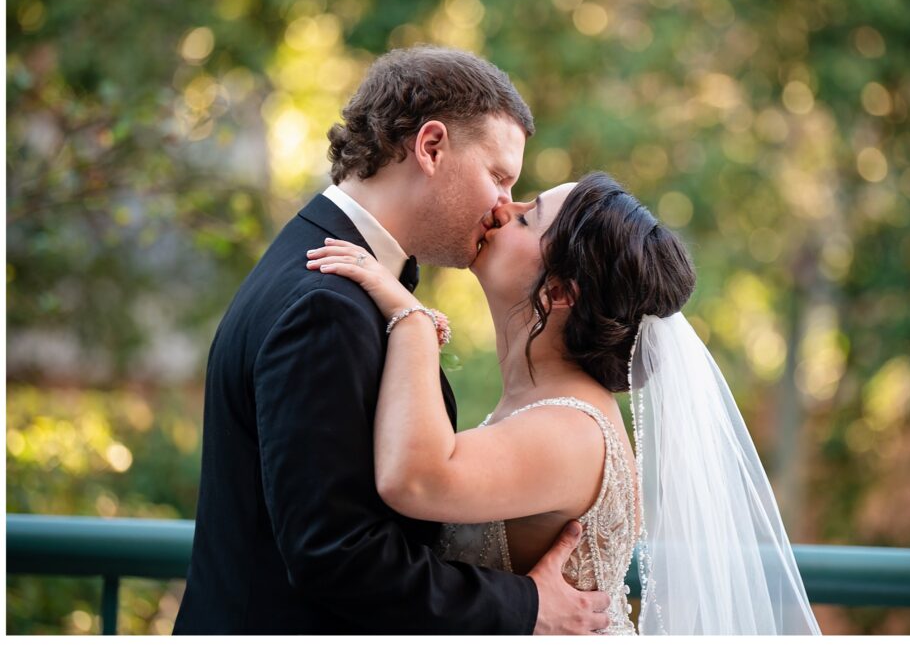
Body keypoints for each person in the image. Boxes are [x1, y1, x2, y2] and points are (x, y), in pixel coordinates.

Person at [174, 46, 611, 634]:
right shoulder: (325, 304)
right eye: (498, 177)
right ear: (431, 147)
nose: (504, 206)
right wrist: (524, 607)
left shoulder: (330, 272)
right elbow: (336, 554)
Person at [307, 171, 823, 635]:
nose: (502, 208)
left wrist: (414, 323)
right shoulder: (548, 408)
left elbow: (414, 480)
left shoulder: (572, 431)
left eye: (526, 218)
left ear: (557, 292)